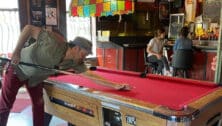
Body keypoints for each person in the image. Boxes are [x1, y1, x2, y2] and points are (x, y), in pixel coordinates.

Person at [0, 25, 130, 126]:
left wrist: (114, 85)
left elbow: (91, 75)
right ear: (76, 49)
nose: (84, 57)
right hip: (17, 69)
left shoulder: (75, 62)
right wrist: (16, 52)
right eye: (84, 54)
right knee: (6, 105)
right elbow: (28, 29)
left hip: (35, 78)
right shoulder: (53, 42)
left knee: (39, 105)